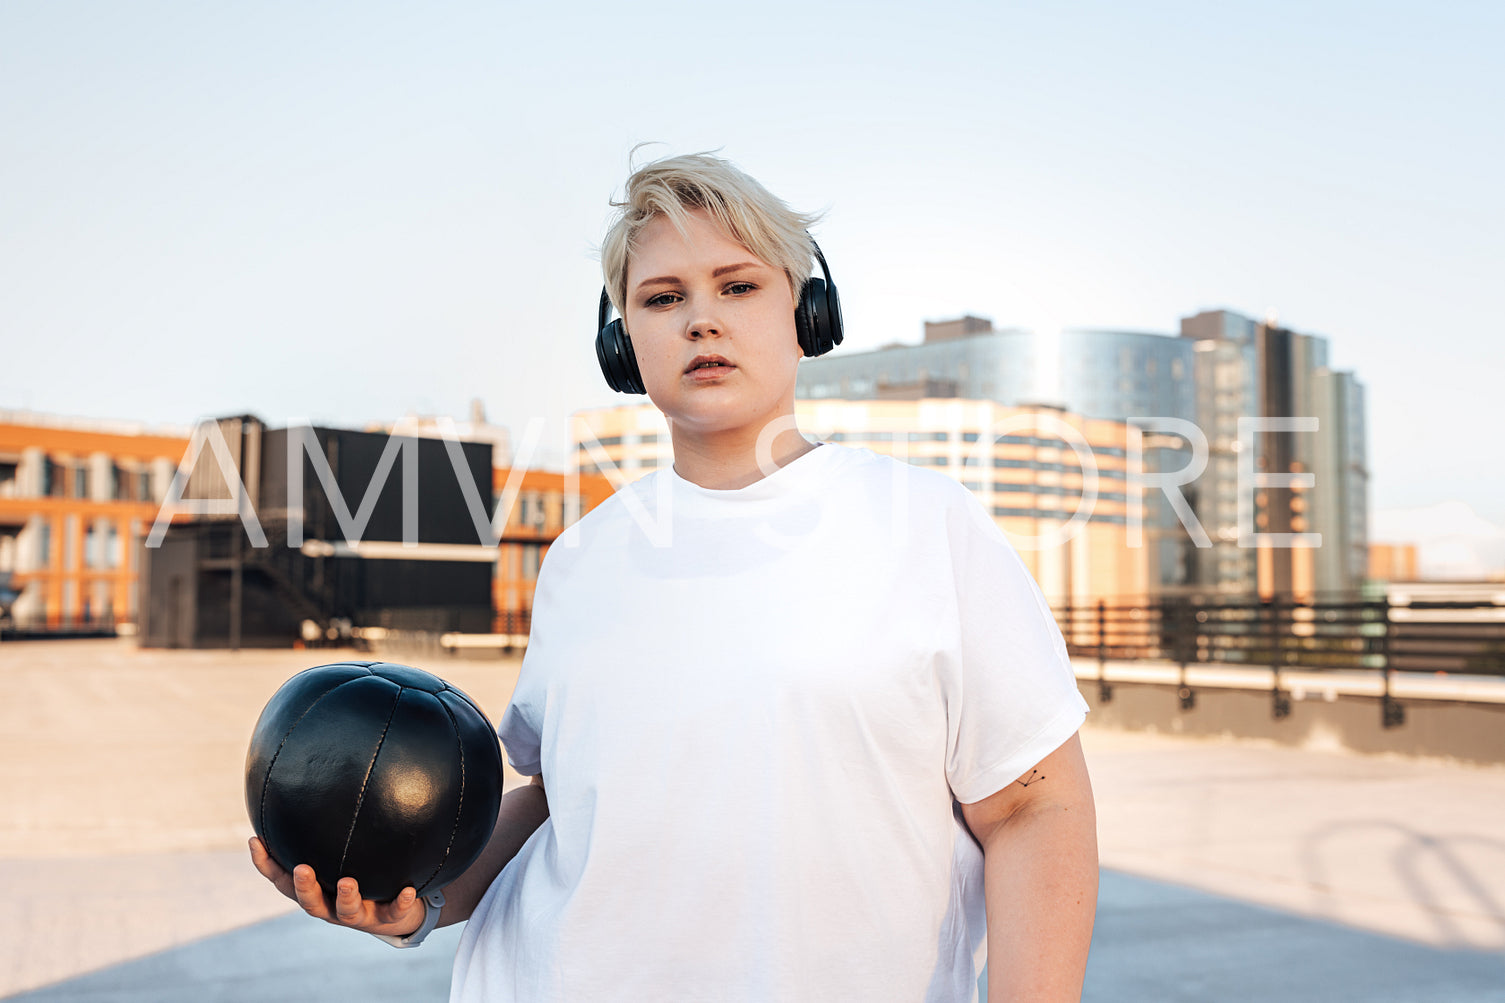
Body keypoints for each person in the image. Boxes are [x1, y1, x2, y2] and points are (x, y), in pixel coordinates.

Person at [251, 152, 1098, 1001]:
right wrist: (420, 901)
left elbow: (1035, 810)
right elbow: (557, 803)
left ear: (807, 311)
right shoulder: (581, 557)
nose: (701, 319)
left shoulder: (925, 525)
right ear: (622, 341)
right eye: (663, 297)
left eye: (737, 286)